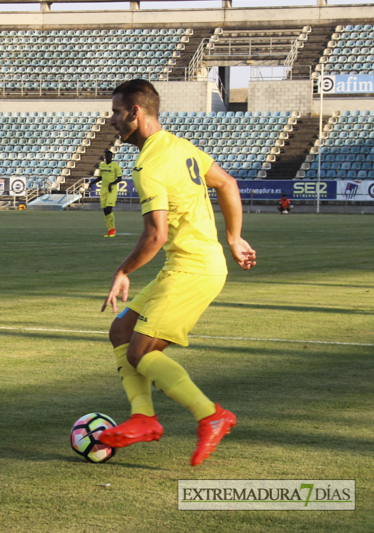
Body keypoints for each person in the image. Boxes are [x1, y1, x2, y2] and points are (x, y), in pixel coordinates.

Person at [97, 79, 257, 466]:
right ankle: (143, 418)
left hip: (193, 269)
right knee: (120, 330)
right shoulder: (180, 146)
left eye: (117, 112)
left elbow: (156, 234)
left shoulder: (149, 163)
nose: (113, 120)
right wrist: (234, 238)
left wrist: (123, 270)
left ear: (135, 112)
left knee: (141, 352)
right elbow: (227, 182)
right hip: (187, 264)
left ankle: (211, 415)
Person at [90, 149, 123, 237]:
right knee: (105, 211)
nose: (107, 158)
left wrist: (111, 184)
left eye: (109, 156)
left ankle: (113, 229)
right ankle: (109, 230)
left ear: (111, 157)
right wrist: (91, 183)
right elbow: (100, 177)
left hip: (112, 189)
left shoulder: (115, 166)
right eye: (106, 156)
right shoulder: (102, 166)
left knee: (109, 209)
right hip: (103, 190)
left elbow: (120, 178)